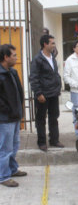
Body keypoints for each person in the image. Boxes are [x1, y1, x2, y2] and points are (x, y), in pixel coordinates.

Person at [30, 35, 64, 152]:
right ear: (45, 44)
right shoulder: (37, 59)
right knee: (41, 119)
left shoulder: (52, 57)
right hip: (43, 95)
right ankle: (42, 142)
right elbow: (33, 78)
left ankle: (54, 140)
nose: (54, 45)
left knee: (54, 118)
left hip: (53, 93)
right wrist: (39, 93)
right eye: (52, 43)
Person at [0, 44, 27, 187]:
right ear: (5, 57)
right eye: (14, 55)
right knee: (5, 148)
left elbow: (19, 92)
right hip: (5, 118)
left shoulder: (12, 72)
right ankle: (3, 176)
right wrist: (8, 110)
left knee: (14, 145)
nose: (16, 57)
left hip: (15, 115)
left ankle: (12, 169)